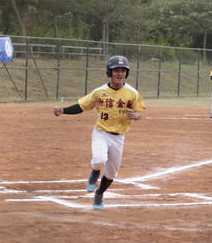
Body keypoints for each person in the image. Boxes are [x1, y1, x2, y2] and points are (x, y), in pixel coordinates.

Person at [53, 55, 145, 209]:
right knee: (99, 159)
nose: (120, 74)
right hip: (101, 133)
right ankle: (95, 172)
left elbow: (139, 112)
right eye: (116, 70)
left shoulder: (132, 93)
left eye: (123, 70)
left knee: (111, 173)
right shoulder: (99, 92)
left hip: (119, 137)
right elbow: (82, 106)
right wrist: (63, 110)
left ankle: (99, 193)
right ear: (109, 72)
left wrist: (135, 116)